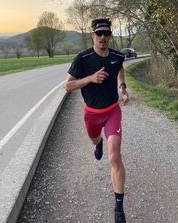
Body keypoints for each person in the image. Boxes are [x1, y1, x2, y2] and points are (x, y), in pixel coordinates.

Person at [65, 18, 129, 223]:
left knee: (114, 156)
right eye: (98, 34)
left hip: (112, 111)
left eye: (106, 34)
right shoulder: (82, 59)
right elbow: (68, 86)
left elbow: (120, 69)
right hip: (91, 113)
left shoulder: (118, 56)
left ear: (110, 36)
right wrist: (90, 78)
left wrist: (122, 88)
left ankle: (119, 209)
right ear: (92, 35)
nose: (102, 37)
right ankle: (98, 142)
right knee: (95, 140)